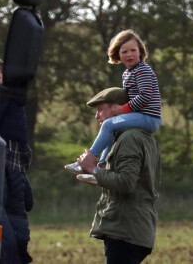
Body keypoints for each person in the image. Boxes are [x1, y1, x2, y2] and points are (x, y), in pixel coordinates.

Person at [65, 29, 161, 184]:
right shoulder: (127, 73)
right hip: (138, 116)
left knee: (109, 124)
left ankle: (90, 160)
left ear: (140, 52)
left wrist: (121, 110)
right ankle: (102, 166)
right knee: (111, 127)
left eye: (133, 50)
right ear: (117, 54)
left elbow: (145, 97)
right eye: (124, 51)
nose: (129, 54)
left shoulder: (143, 70)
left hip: (149, 118)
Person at [79, 87, 162, 264]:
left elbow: (126, 183)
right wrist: (99, 176)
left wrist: (94, 169)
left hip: (125, 231)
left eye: (101, 109)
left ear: (117, 108)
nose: (97, 116)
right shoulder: (138, 136)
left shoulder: (129, 139)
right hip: (131, 229)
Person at [0, 58, 34, 264]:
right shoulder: (17, 166)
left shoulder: (3, 100)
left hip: (13, 237)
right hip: (20, 232)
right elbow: (28, 202)